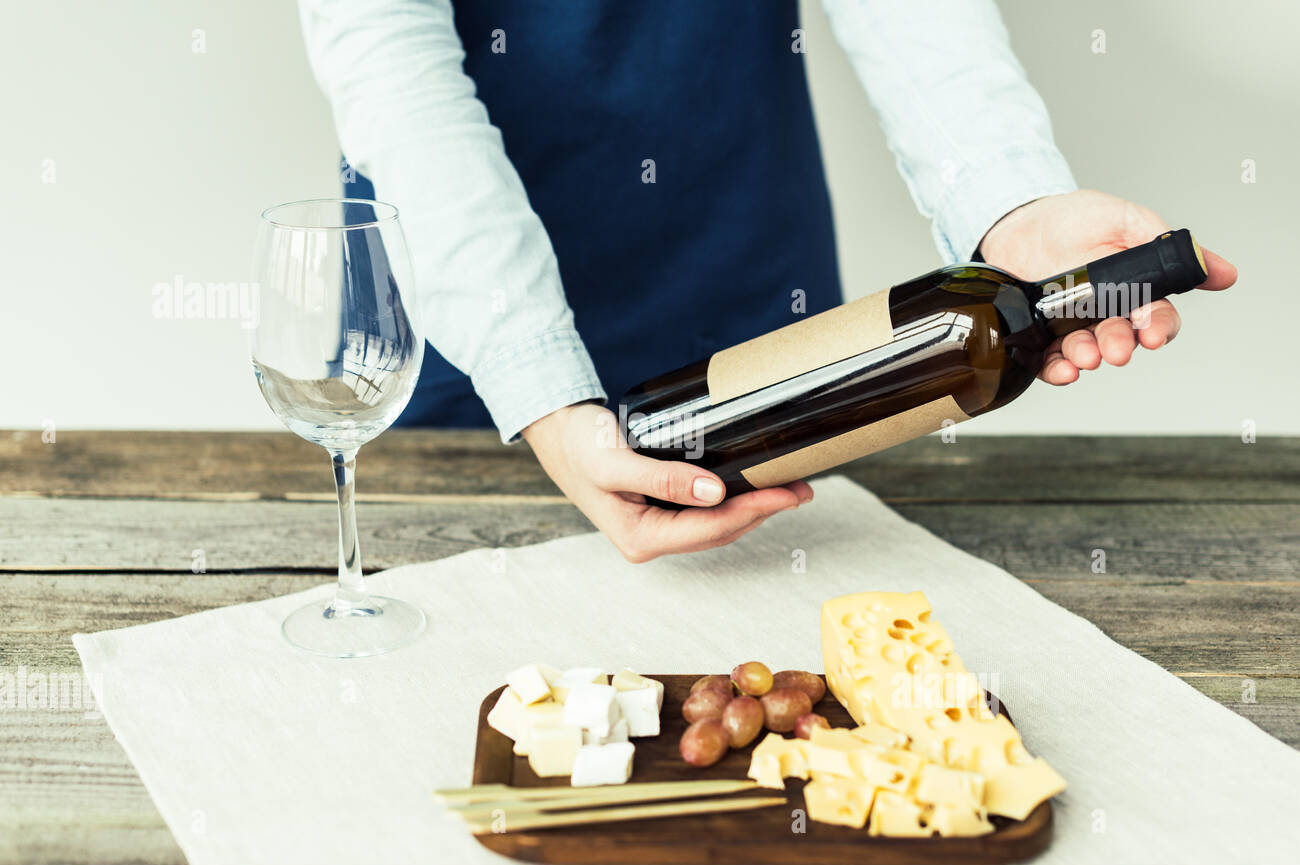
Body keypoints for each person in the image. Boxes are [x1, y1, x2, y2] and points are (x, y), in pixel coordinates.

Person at [298, 0, 1236, 562]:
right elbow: (392, 70)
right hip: (463, 332)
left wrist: (1012, 204)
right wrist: (537, 381)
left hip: (750, 303)